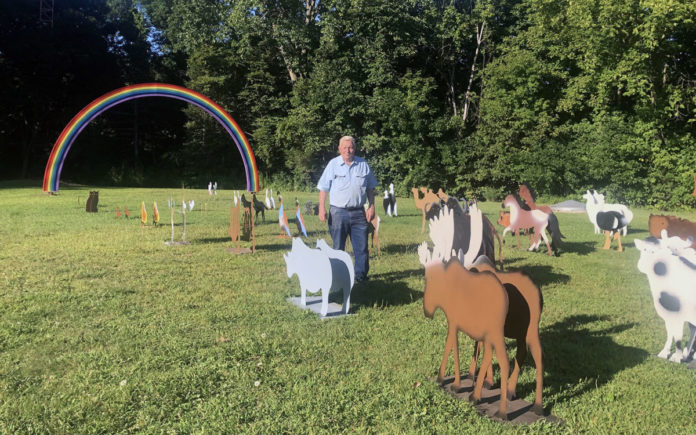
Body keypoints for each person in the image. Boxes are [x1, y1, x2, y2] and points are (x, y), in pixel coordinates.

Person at [317, 136, 378, 282]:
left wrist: (371, 206)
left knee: (362, 247)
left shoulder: (363, 164)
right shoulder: (333, 164)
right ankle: (337, 277)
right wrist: (321, 208)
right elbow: (323, 188)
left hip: (359, 212)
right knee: (338, 247)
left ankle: (361, 277)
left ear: (354, 149)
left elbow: (371, 188)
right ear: (339, 149)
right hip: (338, 212)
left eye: (350, 147)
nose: (347, 150)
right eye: (344, 148)